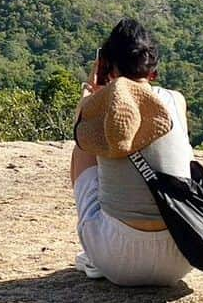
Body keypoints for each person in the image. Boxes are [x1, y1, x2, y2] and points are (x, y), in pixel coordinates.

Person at [71, 18, 193, 286]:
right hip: (183, 253)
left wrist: (90, 98)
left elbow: (84, 134)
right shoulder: (175, 100)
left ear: (107, 68)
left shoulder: (95, 107)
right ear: (153, 72)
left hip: (117, 261)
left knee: (82, 145)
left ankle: (94, 255)